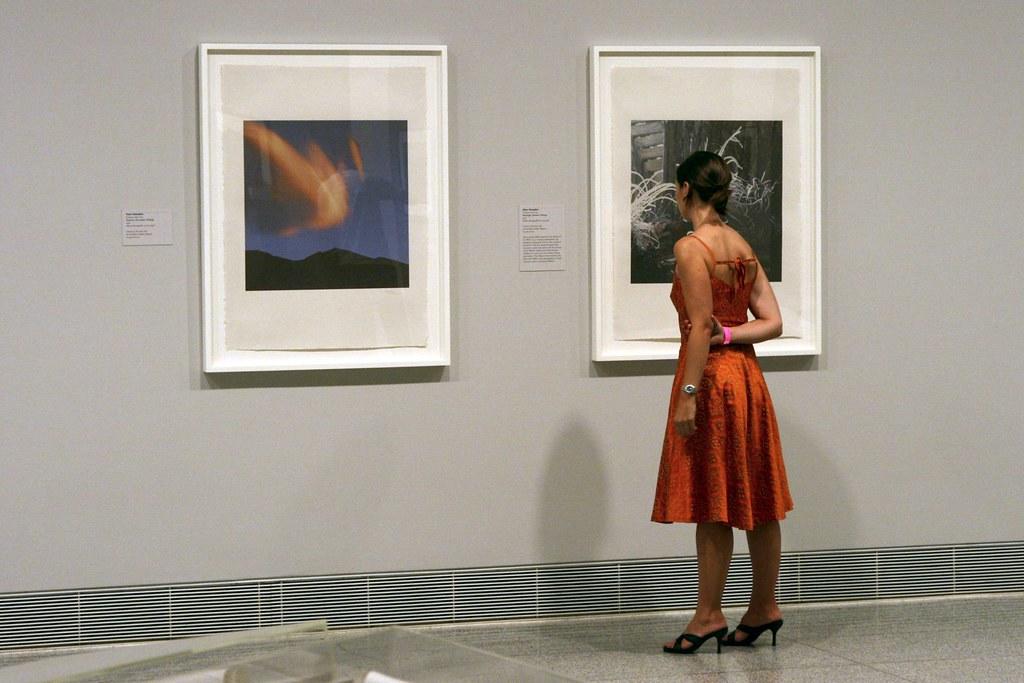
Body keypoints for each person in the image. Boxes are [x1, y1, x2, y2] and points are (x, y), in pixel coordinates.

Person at [652, 151, 794, 654]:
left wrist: (688, 395)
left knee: (714, 499)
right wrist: (732, 334)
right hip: (748, 380)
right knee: (757, 497)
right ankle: (763, 607)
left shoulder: (693, 247)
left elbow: (698, 329)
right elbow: (773, 322)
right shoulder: (740, 246)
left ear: (686, 189)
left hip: (712, 381)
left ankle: (709, 615)